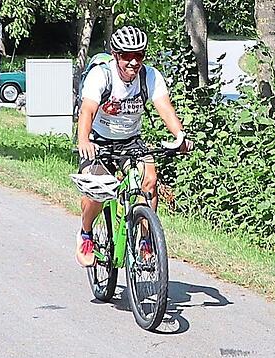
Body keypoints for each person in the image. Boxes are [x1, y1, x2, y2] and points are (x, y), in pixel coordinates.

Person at [74, 26, 191, 267]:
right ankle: (85, 234)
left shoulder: (150, 76)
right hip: (98, 140)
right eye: (127, 56)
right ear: (116, 55)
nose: (134, 62)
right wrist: (84, 140)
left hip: (130, 140)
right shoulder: (101, 76)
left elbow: (165, 108)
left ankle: (145, 240)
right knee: (97, 190)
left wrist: (180, 136)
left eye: (139, 55)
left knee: (149, 181)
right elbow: (87, 110)